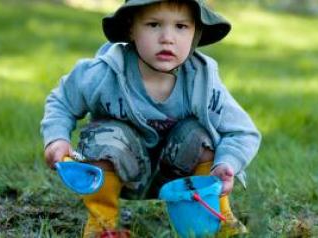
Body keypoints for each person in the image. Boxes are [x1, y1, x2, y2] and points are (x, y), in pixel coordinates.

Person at [41, 0, 261, 237]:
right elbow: (62, 101)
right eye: (154, 24)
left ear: (196, 33)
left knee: (201, 134)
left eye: (181, 27)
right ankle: (102, 225)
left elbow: (242, 131)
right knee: (105, 134)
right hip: (122, 170)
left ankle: (216, 219)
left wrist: (227, 163)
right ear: (131, 29)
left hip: (181, 175)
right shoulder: (105, 73)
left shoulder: (202, 81)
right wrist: (56, 138)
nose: (167, 37)